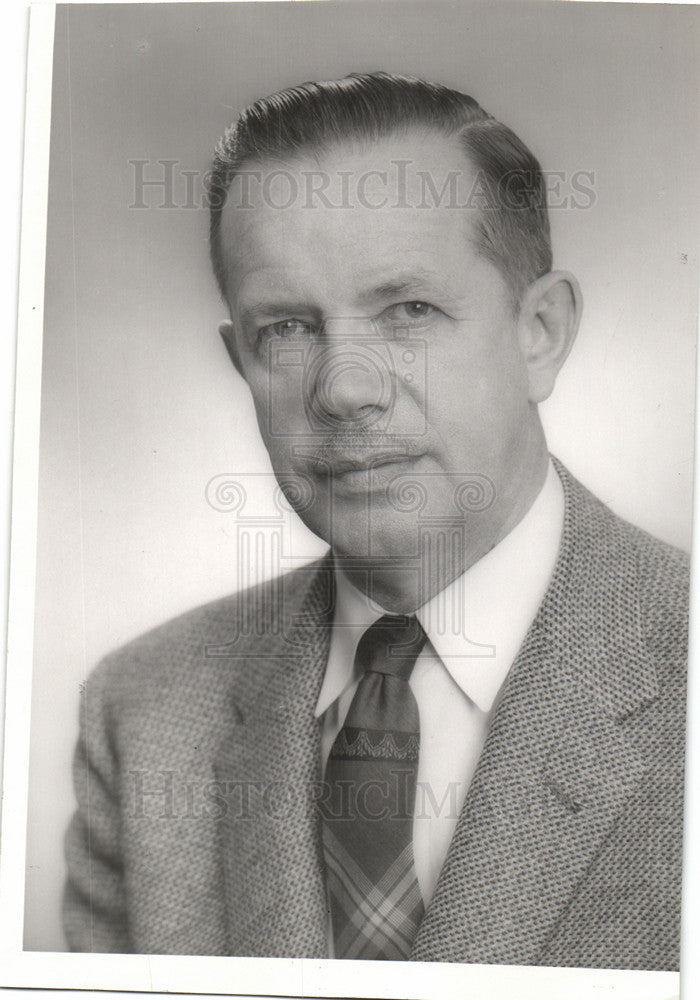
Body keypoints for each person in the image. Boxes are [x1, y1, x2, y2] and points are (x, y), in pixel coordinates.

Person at [63, 72, 688, 969]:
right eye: (286, 329)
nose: (345, 389)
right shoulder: (141, 709)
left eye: (408, 311)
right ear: (240, 362)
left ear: (539, 331)